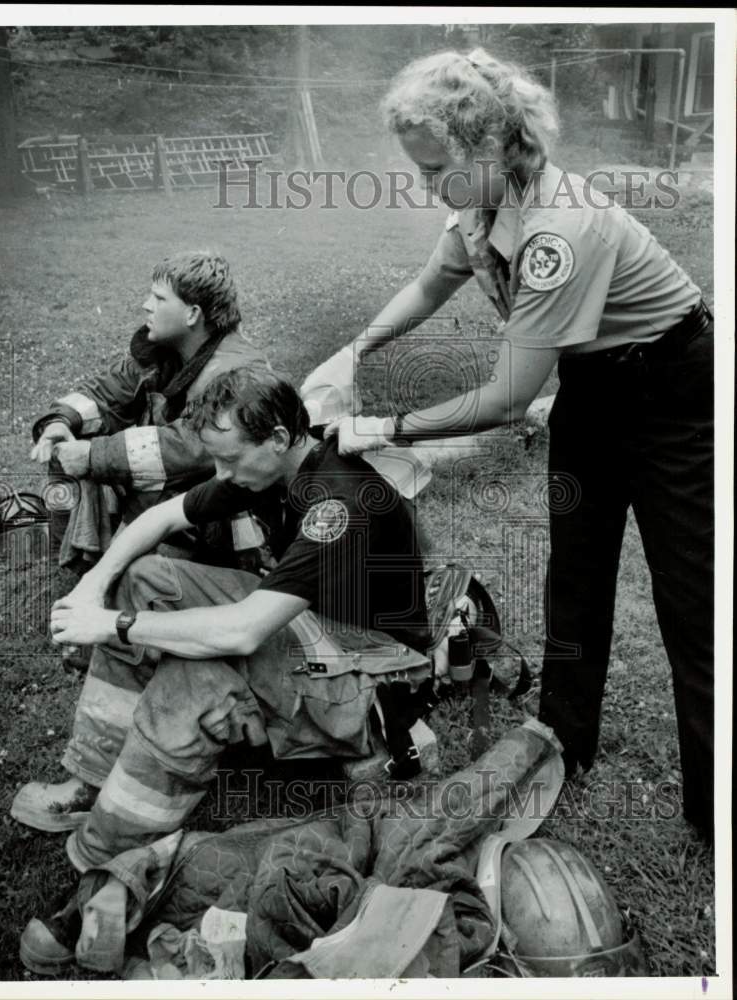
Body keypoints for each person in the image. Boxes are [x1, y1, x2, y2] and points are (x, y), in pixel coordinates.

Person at [302, 49, 714, 839]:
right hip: (596, 387)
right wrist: (355, 351)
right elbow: (431, 283)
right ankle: (564, 736)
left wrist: (380, 428)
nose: (427, 188)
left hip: (675, 393)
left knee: (691, 597)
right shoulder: (479, 203)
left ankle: (713, 809)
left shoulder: (561, 226)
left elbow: (505, 399)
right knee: (577, 570)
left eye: (434, 171)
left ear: (491, 148)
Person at [12, 368, 436, 973]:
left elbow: (244, 630)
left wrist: (114, 627)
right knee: (146, 579)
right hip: (317, 627)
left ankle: (105, 865)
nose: (222, 478)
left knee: (197, 677)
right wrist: (94, 584)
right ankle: (93, 780)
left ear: (282, 437)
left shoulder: (337, 502)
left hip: (376, 676)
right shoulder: (266, 464)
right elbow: (153, 523)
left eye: (230, 461)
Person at [31, 250, 268, 568]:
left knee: (107, 468)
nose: (146, 305)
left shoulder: (238, 369)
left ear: (192, 314)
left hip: (215, 510)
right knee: (73, 446)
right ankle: (76, 565)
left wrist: (93, 456)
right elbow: (105, 392)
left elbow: (192, 449)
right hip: (167, 493)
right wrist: (63, 420)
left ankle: (166, 575)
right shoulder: (165, 350)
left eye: (159, 298)